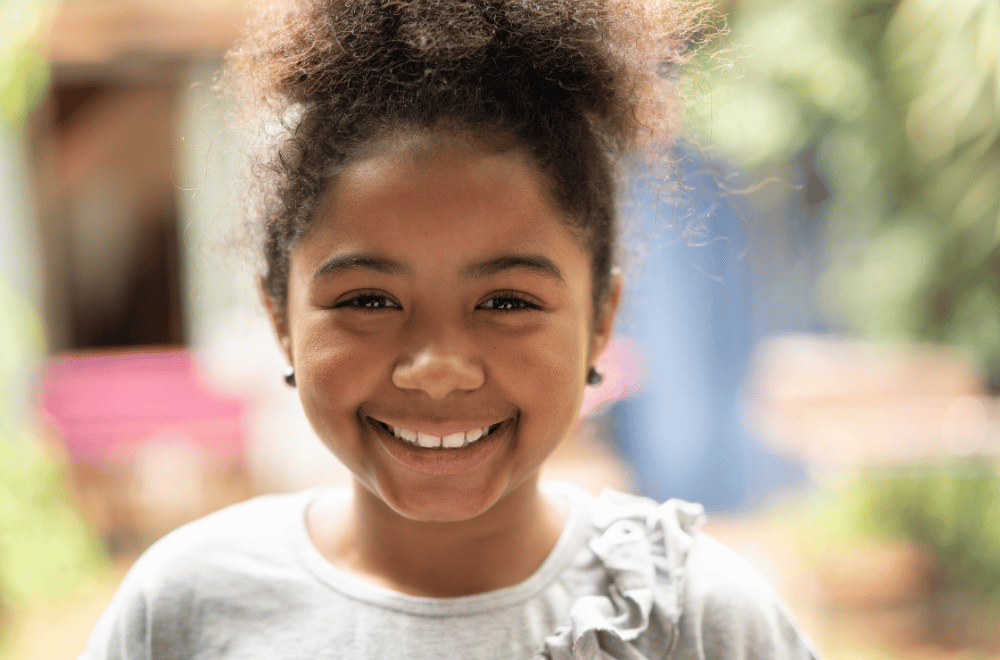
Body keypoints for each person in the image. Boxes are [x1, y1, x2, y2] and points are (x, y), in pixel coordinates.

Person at [80, 1, 824, 658]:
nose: (437, 366)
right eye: (369, 301)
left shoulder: (694, 621)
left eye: (506, 302)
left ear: (601, 321)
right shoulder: (184, 609)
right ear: (279, 319)